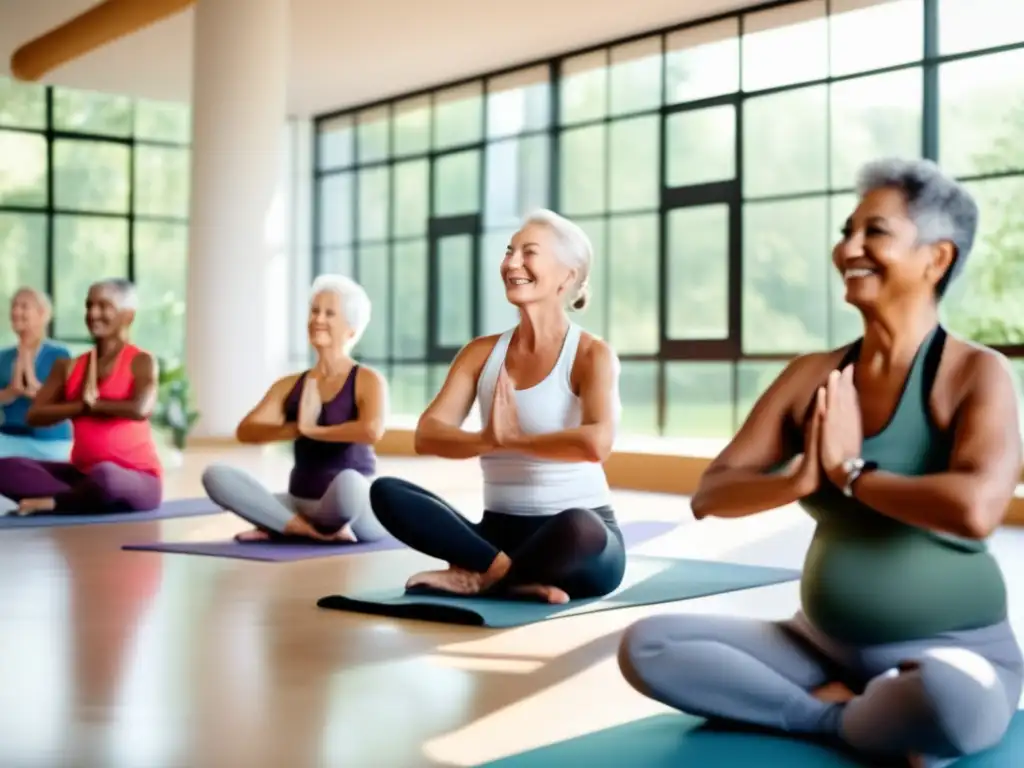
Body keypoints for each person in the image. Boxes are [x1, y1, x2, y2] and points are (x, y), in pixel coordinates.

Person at [617, 158, 1023, 768]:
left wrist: (852, 474)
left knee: (948, 702)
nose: (848, 248)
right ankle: (843, 718)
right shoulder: (812, 375)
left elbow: (975, 509)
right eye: (845, 231)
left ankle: (878, 708)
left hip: (952, 648)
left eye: (874, 232)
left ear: (936, 259)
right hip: (816, 644)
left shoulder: (974, 372)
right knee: (649, 645)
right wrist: (802, 477)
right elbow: (712, 494)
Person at [369, 209, 623, 605]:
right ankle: (507, 576)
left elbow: (596, 442)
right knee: (387, 492)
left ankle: (483, 578)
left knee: (580, 527)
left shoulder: (591, 354)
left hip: (573, 544)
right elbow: (428, 434)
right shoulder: (480, 353)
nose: (511, 263)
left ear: (567, 275)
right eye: (509, 251)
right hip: (497, 536)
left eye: (529, 252)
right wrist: (488, 439)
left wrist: (515, 440)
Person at [200, 274, 388, 543]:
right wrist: (296, 427)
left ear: (351, 329)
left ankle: (284, 525)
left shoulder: (367, 380)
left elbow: (371, 431)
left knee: (351, 483)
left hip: (354, 510)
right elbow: (247, 431)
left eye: (329, 313)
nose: (317, 319)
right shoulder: (290, 385)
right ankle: (305, 529)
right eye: (314, 311)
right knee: (216, 476)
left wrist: (312, 429)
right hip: (299, 503)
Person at [0, 279, 163, 515]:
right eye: (89, 306)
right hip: (82, 474)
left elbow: (141, 408)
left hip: (136, 478)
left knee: (106, 476)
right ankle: (80, 498)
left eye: (104, 306)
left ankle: (57, 502)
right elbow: (34, 414)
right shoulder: (69, 366)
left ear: (128, 315)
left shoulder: (142, 361)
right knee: (7, 469)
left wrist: (96, 404)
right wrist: (79, 406)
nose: (93, 313)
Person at [0, 287, 73, 460]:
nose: (17, 312)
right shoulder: (4, 356)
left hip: (52, 442)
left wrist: (33, 385)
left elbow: (64, 399)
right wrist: (12, 391)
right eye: (14, 306)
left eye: (24, 307)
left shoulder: (60, 354)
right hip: (9, 437)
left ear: (43, 314)